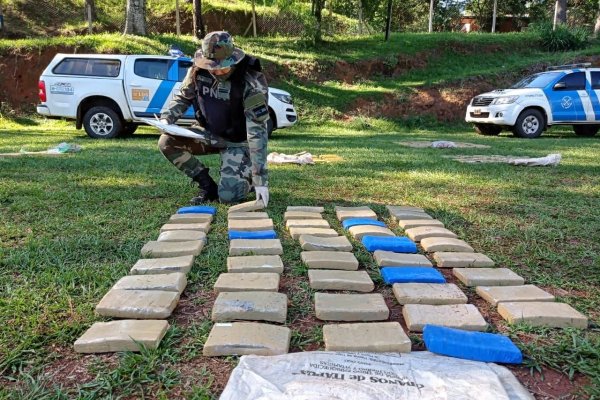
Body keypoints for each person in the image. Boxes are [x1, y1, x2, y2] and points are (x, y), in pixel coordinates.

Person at [158, 31, 269, 206]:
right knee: (167, 142)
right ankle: (207, 186)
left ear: (233, 59)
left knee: (228, 197)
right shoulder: (197, 71)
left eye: (222, 65)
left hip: (238, 142)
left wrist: (260, 179)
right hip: (209, 133)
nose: (216, 70)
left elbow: (257, 132)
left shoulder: (251, 81)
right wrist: (167, 119)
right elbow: (183, 97)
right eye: (212, 66)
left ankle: (246, 176)